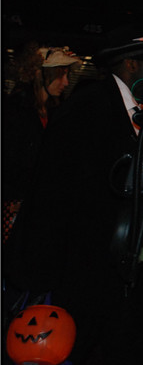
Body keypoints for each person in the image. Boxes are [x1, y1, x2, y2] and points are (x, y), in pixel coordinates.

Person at [3, 22, 143, 365]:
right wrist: (44, 275)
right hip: (79, 273)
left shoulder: (136, 111)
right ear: (130, 64)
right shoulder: (89, 109)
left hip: (112, 275)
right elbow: (55, 194)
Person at [1, 43, 82, 244]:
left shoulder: (53, 112)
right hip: (14, 202)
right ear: (41, 75)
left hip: (38, 203)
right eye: (60, 75)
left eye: (67, 75)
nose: (65, 83)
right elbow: (12, 161)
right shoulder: (17, 110)